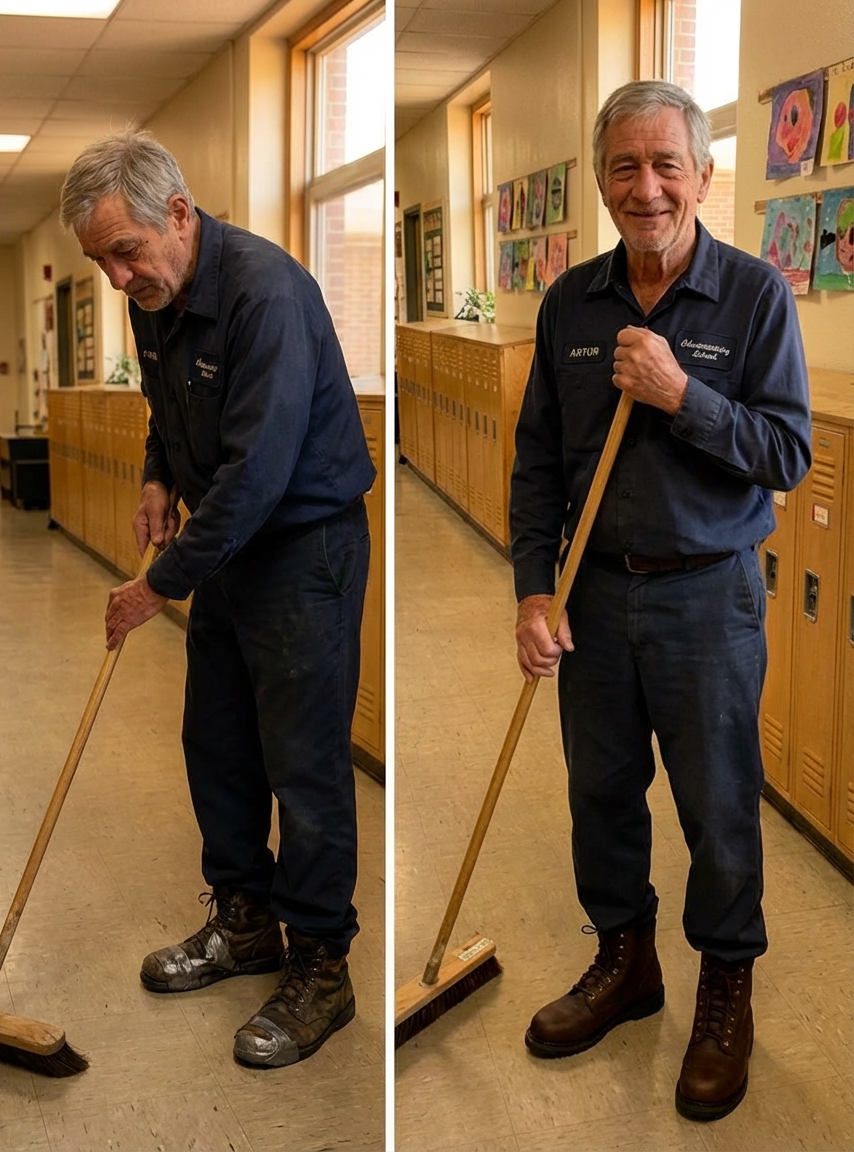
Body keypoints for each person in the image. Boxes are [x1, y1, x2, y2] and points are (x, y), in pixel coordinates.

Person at [510, 81, 811, 1122]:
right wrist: (533, 589)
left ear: (703, 175)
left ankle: (725, 985)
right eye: (624, 167)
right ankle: (624, 959)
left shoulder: (755, 298)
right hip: (593, 595)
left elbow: (787, 452)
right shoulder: (570, 304)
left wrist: (685, 396)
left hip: (707, 598)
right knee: (599, 792)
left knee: (717, 805)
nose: (646, 189)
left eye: (665, 165)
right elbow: (537, 463)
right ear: (602, 181)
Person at [59, 130, 375, 1068]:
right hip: (231, 548)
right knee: (219, 742)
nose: (119, 279)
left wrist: (157, 585)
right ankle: (244, 923)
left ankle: (321, 965)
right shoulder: (153, 296)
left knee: (303, 766)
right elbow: (168, 410)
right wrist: (158, 475)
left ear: (179, 214)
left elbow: (257, 473)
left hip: (303, 549)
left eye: (126, 252)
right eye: (101, 262)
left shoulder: (265, 294)